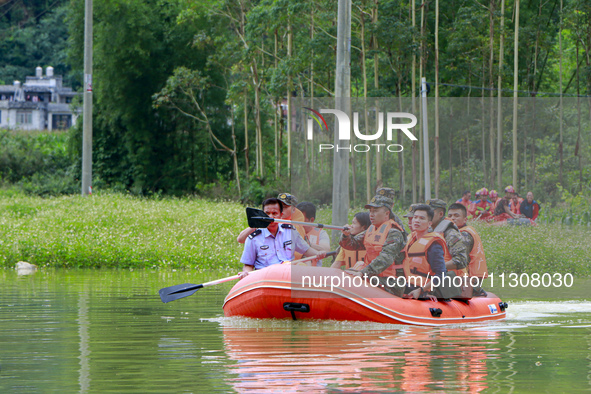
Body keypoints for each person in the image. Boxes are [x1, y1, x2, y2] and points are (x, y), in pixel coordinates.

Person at [339, 187, 407, 295]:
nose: (371, 214)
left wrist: (363, 273)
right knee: (346, 277)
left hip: (391, 282)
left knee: (353, 282)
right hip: (373, 276)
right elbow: (352, 245)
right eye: (370, 211)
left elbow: (385, 258)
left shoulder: (394, 232)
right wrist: (346, 236)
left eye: (375, 211)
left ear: (386, 214)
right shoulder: (371, 230)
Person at [239, 198, 324, 278]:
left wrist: (318, 254)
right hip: (265, 278)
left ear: (281, 215)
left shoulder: (291, 231)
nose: (271, 217)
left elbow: (306, 250)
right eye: (267, 213)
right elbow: (248, 265)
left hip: (288, 275)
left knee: (302, 268)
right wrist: (246, 272)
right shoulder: (254, 237)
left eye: (274, 213)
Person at [402, 205, 461, 300]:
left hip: (421, 290)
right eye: (415, 217)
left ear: (429, 224)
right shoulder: (409, 239)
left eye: (422, 218)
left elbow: (441, 274)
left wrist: (421, 290)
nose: (417, 220)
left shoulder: (433, 245)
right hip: (405, 287)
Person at [447, 203, 488, 297]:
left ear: (465, 219)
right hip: (468, 279)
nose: (452, 218)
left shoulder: (464, 235)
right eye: (450, 216)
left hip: (468, 281)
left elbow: (459, 260)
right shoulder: (461, 232)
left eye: (456, 215)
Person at [237, 192, 306, 244]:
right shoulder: (268, 221)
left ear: (293, 209)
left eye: (284, 207)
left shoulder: (297, 225)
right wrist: (257, 224)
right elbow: (240, 239)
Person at [426, 199, 469, 275]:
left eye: (431, 213)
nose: (427, 215)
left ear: (441, 214)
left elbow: (461, 260)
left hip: (452, 281)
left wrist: (435, 267)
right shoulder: (429, 231)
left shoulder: (450, 233)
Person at [296, 201, 331, 266]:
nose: (299, 223)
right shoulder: (293, 230)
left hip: (313, 271)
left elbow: (326, 250)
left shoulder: (321, 233)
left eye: (302, 220)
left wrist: (305, 244)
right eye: (297, 219)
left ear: (311, 220)